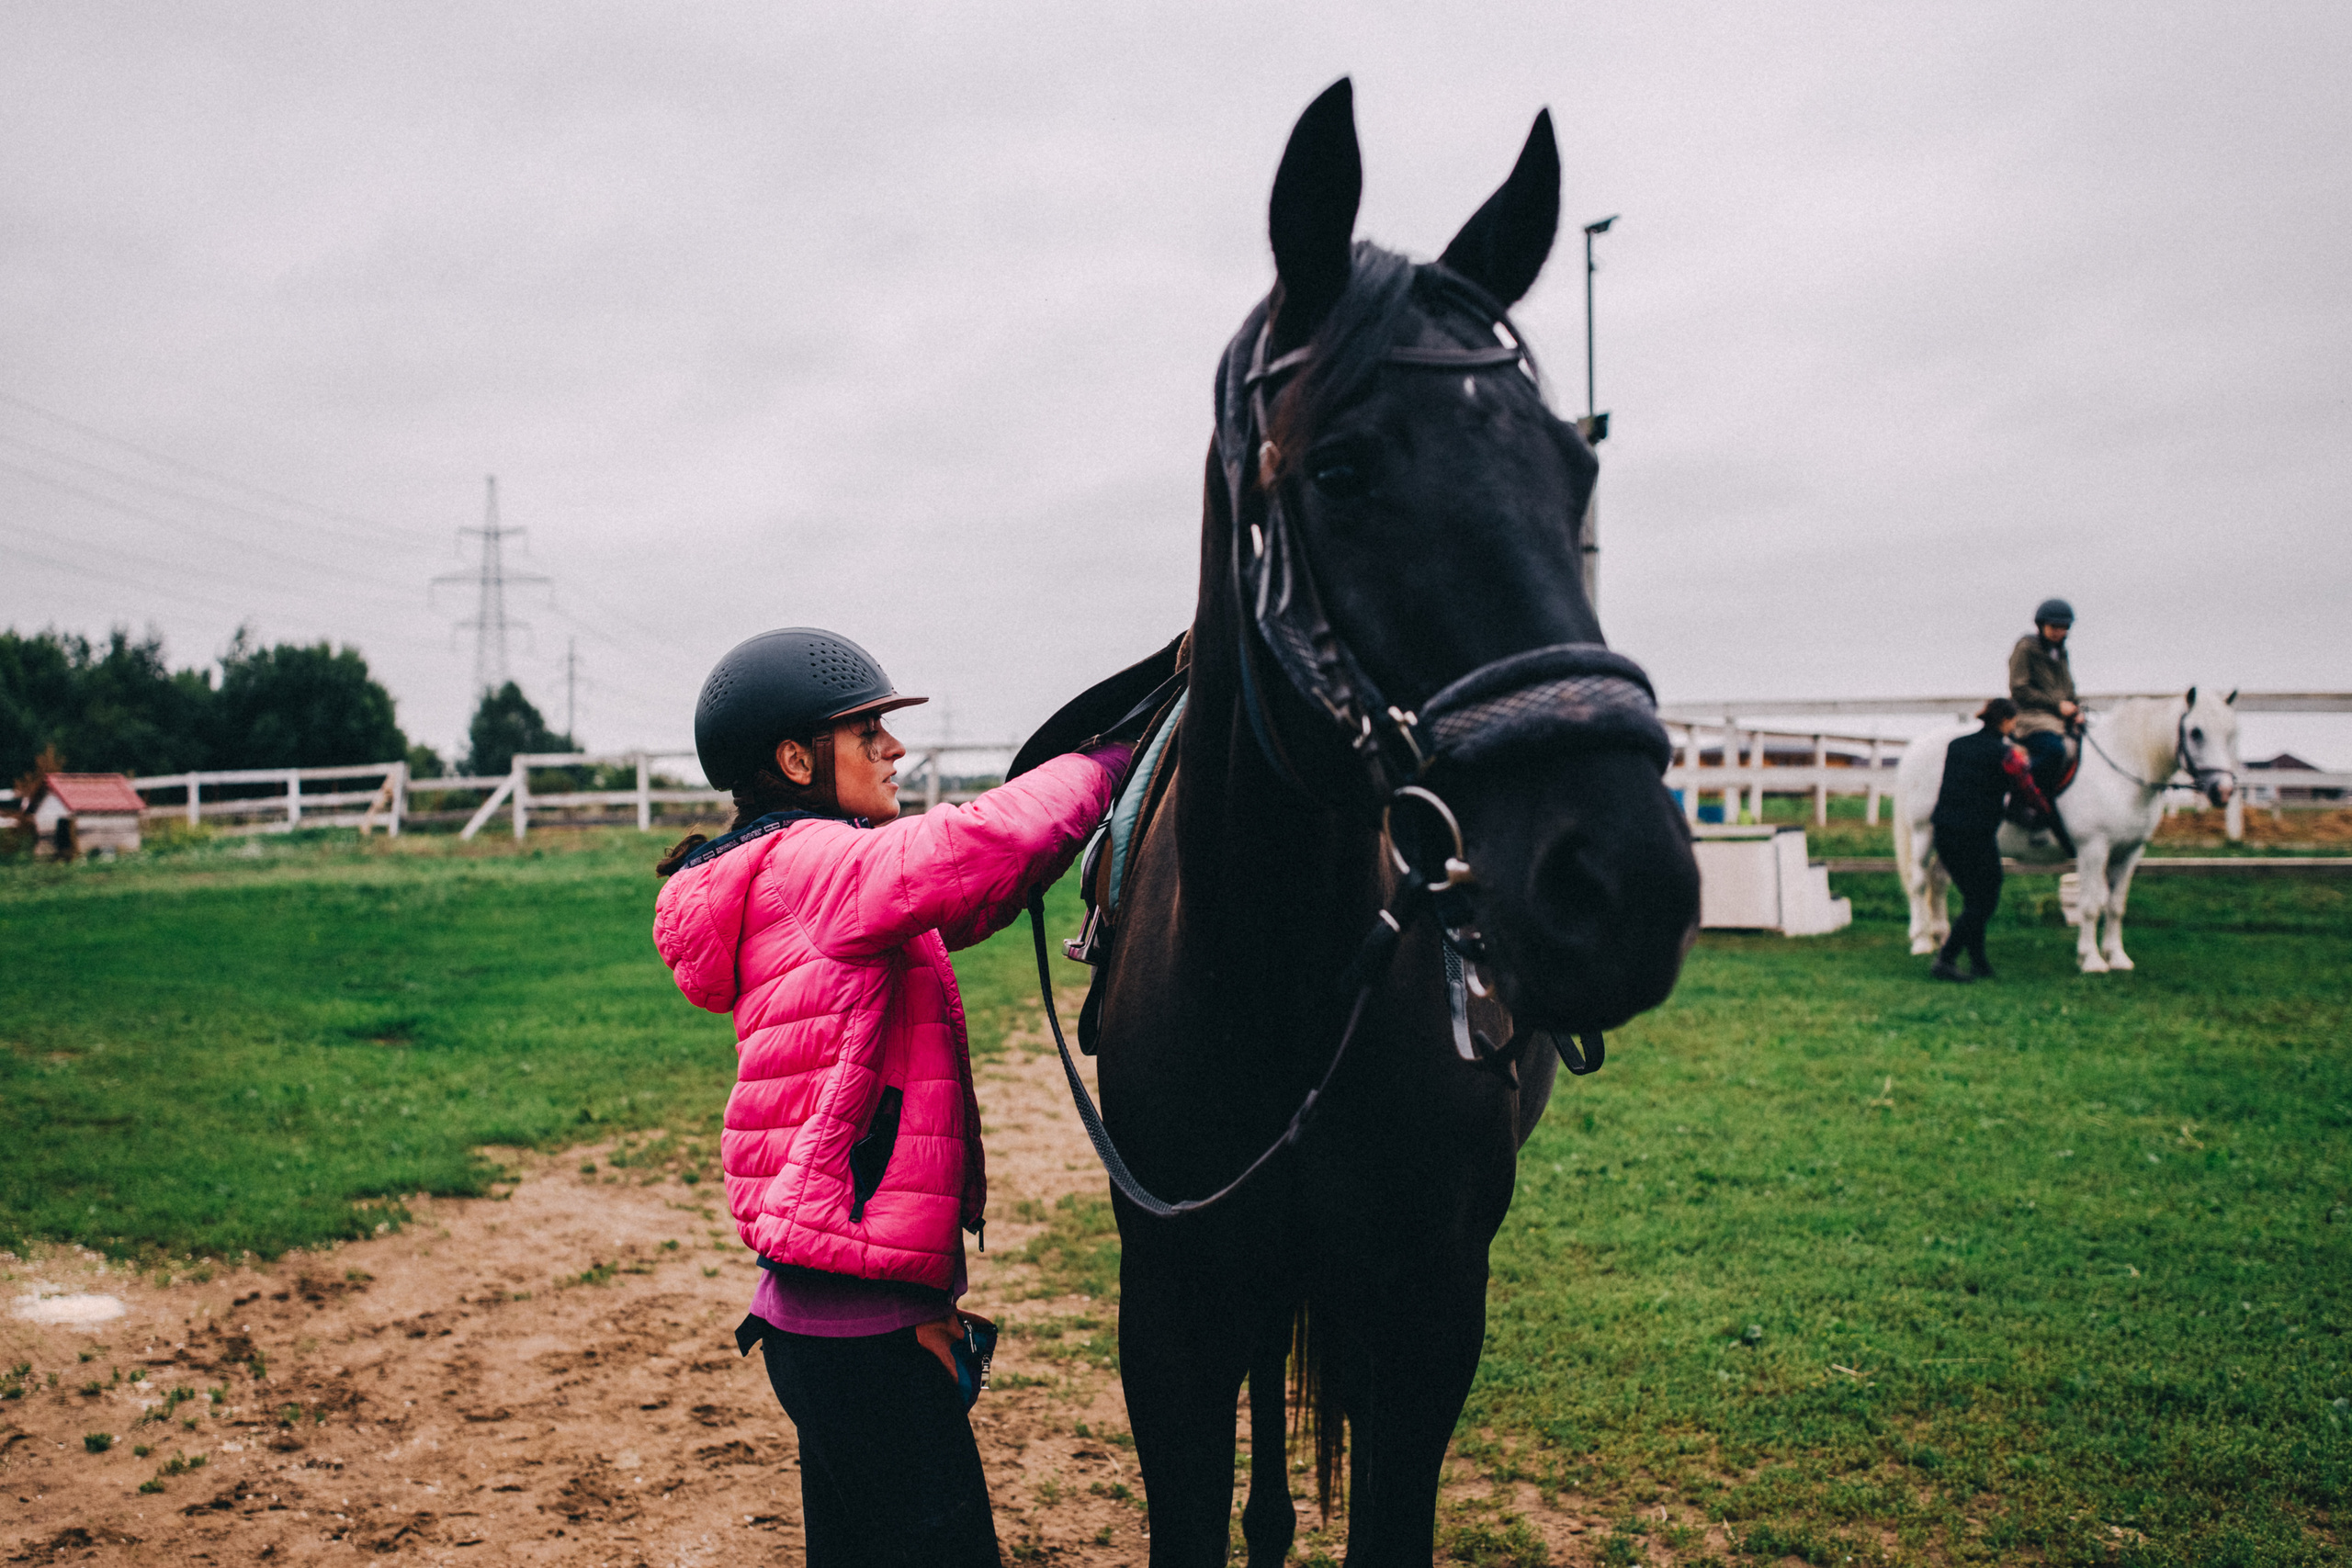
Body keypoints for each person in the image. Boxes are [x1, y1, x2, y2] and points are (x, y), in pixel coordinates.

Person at [651, 627, 1130, 1566]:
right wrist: (1109, 759)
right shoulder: (809, 864)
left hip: (828, 1316)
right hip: (859, 1333)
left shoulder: (805, 873)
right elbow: (970, 843)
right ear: (796, 760)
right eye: (866, 731)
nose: (894, 749)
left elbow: (969, 892)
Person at [1928, 697, 2052, 983]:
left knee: (1974, 898)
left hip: (1945, 832)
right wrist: (2047, 813)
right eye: (2014, 722)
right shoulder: (2006, 755)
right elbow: (2028, 789)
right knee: (1985, 898)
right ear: (2006, 722)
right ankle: (1946, 959)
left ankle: (1978, 962)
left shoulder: (1956, 746)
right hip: (1975, 835)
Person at [2008, 597, 2079, 804]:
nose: (2059, 631)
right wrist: (2057, 706)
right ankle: (2025, 800)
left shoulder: (2060, 652)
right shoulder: (2026, 648)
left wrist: (2076, 709)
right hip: (2031, 717)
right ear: (2041, 625)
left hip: (2059, 717)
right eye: (2054, 626)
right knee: (2053, 751)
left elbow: (2067, 687)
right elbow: (2019, 688)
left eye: (2064, 627)